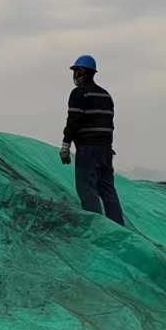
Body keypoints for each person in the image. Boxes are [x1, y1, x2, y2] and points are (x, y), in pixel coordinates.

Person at [59, 55, 124, 225]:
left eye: (75, 71)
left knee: (87, 190)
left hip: (88, 149)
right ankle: (118, 227)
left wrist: (66, 144)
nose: (74, 75)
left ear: (81, 72)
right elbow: (108, 123)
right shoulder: (106, 95)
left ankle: (97, 228)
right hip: (105, 150)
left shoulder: (80, 93)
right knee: (107, 190)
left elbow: (73, 119)